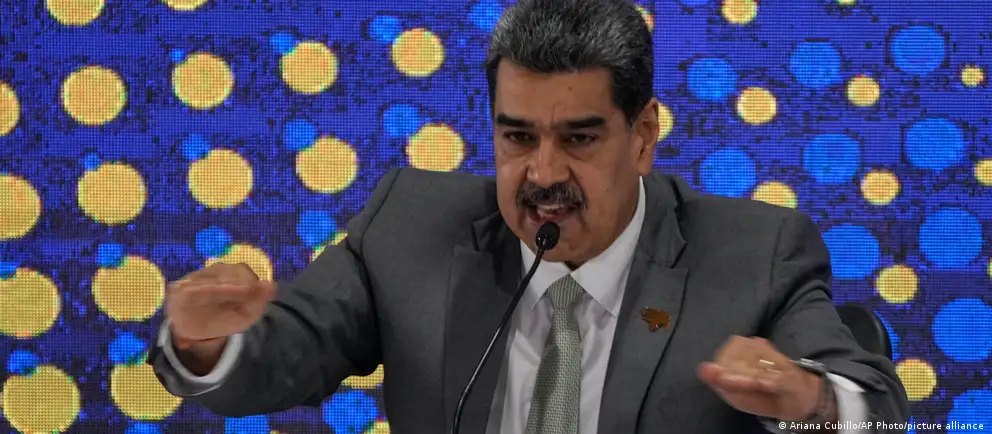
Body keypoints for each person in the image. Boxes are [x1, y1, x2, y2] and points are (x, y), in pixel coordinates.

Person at [148, 0, 910, 432]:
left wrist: (810, 401)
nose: (542, 174)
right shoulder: (411, 225)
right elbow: (284, 355)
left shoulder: (753, 254)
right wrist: (205, 343)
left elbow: (876, 410)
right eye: (517, 137)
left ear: (643, 135)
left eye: (579, 139)